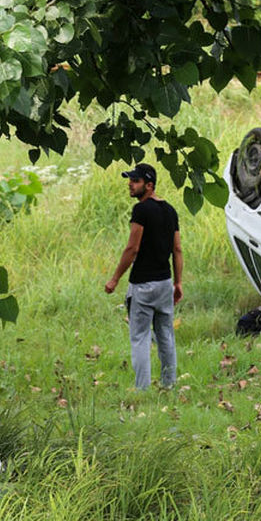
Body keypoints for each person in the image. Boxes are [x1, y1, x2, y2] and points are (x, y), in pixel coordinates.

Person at [104, 162, 183, 391]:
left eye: (135, 181)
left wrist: (115, 279)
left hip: (143, 286)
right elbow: (177, 250)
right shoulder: (170, 210)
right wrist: (178, 282)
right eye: (130, 180)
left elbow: (132, 248)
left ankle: (142, 390)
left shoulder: (141, 210)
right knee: (166, 336)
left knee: (139, 338)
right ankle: (169, 385)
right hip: (165, 283)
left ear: (149, 185)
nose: (130, 184)